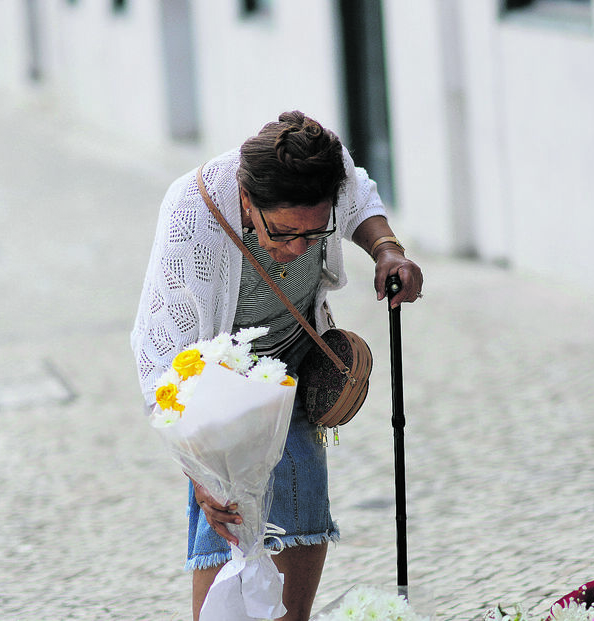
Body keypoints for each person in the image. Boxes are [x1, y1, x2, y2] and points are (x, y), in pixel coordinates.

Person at [131, 111, 424, 620]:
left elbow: (359, 196)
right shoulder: (190, 213)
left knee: (301, 494)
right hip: (215, 384)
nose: (297, 249)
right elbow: (160, 355)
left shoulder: (325, 177)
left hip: (293, 361)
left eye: (313, 235)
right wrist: (196, 469)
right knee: (226, 515)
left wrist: (386, 250)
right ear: (247, 200)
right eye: (284, 233)